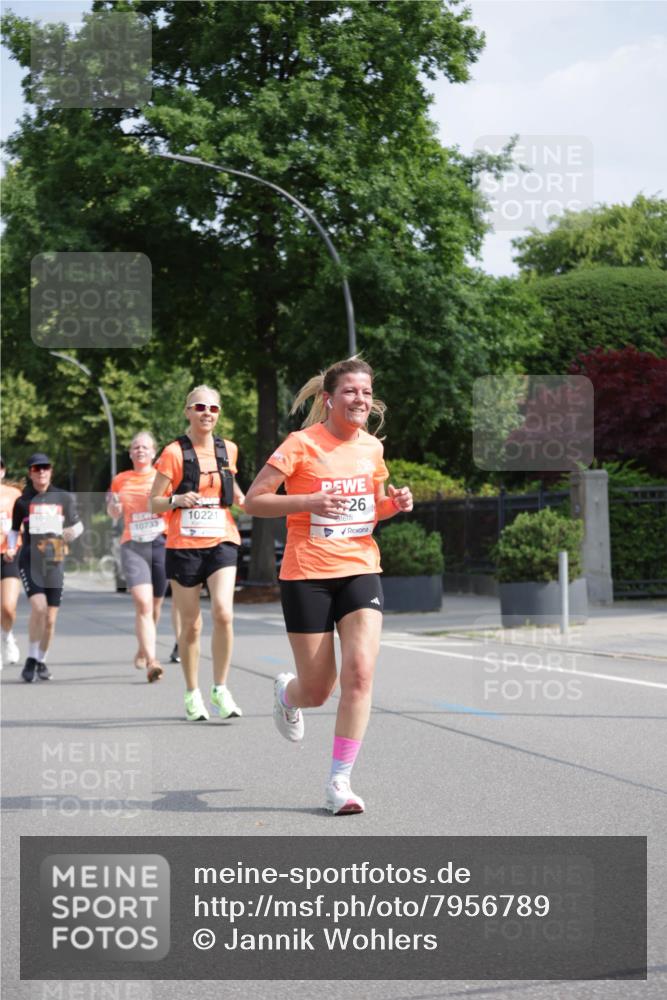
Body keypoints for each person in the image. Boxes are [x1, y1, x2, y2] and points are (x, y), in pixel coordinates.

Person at [244, 358, 413, 815]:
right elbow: (252, 501)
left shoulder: (372, 449)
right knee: (319, 690)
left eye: (366, 392)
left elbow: (371, 508)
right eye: (350, 392)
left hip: (360, 566)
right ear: (329, 398)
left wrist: (393, 504)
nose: (360, 400)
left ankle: (340, 782)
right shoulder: (300, 444)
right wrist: (308, 500)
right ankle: (287, 694)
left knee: (359, 673)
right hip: (307, 574)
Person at [150, 385, 245, 722]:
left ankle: (220, 688)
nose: (207, 413)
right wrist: (176, 499)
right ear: (188, 411)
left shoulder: (228, 449)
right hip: (184, 546)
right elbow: (154, 501)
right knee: (191, 626)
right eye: (200, 407)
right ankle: (192, 693)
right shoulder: (174, 453)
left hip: (222, 539)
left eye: (214, 408)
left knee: (223, 613)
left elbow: (235, 492)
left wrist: (258, 501)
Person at [107, 431, 178, 683]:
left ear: (153, 452)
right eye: (136, 447)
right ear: (130, 453)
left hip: (160, 542)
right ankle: (152, 661)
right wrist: (114, 508)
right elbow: (112, 510)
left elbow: (172, 504)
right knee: (143, 604)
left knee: (155, 606)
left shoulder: (162, 477)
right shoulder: (120, 479)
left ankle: (143, 647)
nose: (140, 451)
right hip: (132, 545)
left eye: (145, 447)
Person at [6, 453, 83, 682]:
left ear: (51, 470)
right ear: (30, 473)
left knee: (50, 619)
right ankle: (30, 657)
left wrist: (72, 533)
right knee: (38, 608)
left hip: (55, 560)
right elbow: (13, 530)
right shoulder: (22, 502)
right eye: (36, 468)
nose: (41, 472)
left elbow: (78, 525)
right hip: (30, 561)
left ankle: (41, 659)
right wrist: (11, 548)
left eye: (45, 468)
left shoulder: (64, 497)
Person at [1, 457, 23, 667]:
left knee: (8, 607)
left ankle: (7, 637)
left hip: (9, 554)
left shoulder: (14, 495)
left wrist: (12, 544)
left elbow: (23, 524)